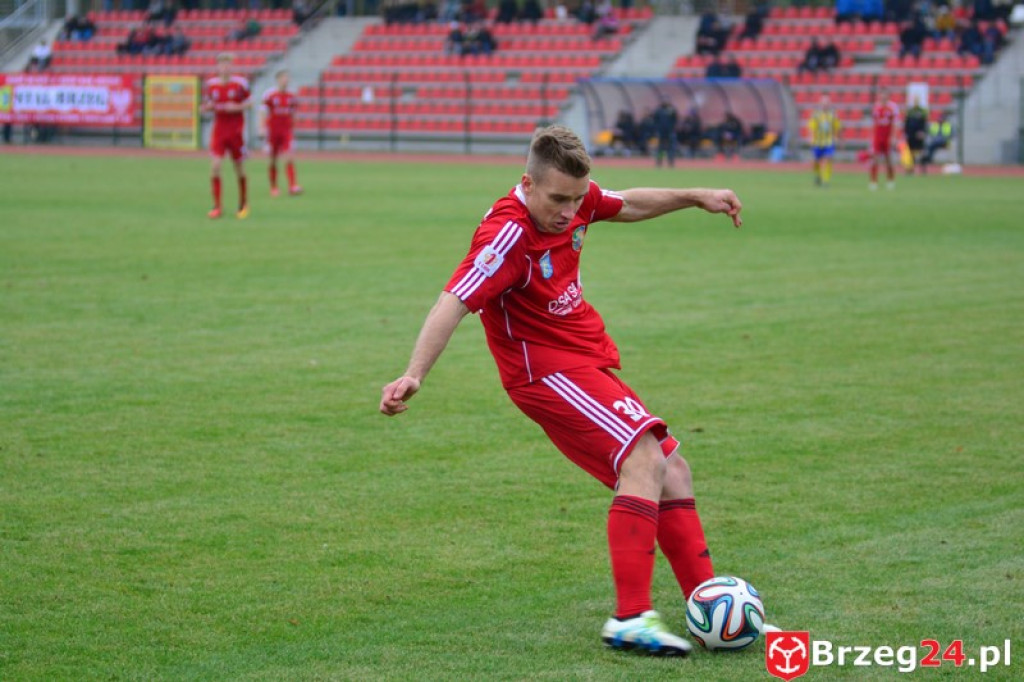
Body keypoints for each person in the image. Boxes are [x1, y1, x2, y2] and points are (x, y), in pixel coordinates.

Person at [380, 125, 745, 655]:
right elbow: (453, 302)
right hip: (544, 372)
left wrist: (695, 197)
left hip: (581, 359)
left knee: (673, 467)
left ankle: (707, 605)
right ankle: (630, 618)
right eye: (557, 199)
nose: (570, 212)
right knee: (643, 456)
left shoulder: (574, 199)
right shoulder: (506, 235)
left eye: (577, 199)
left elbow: (625, 203)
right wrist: (414, 372)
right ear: (526, 183)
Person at [201, 53, 252, 219]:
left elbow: (250, 103)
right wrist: (206, 108)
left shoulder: (240, 84)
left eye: (228, 64)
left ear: (231, 66)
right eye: (222, 65)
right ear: (217, 67)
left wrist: (236, 107)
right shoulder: (211, 85)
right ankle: (217, 206)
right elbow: (208, 103)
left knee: (239, 169)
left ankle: (243, 204)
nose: (225, 68)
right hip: (219, 131)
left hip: (236, 131)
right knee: (215, 167)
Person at [260, 69, 302, 197]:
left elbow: (294, 112)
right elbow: (263, 111)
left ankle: (292, 185)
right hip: (273, 131)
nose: (286, 80)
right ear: (278, 79)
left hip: (286, 131)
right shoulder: (269, 95)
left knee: (289, 157)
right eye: (284, 78)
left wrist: (294, 125)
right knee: (273, 160)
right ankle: (274, 187)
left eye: (287, 78)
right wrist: (262, 128)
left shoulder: (291, 96)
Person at [869, 89, 899, 190]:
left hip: (887, 136)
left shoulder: (893, 107)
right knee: (875, 159)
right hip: (878, 136)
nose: (883, 97)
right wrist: (872, 137)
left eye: (885, 95)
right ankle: (873, 182)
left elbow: (895, 123)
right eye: (882, 95)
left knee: (888, 159)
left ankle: (890, 180)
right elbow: (873, 123)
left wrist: (893, 137)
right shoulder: (876, 107)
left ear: (888, 96)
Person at [808, 95, 841, 187]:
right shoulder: (816, 115)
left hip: (829, 142)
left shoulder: (833, 115)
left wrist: (838, 138)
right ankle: (818, 176)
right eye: (823, 103)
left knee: (827, 160)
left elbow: (837, 127)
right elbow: (812, 127)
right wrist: (811, 138)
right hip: (817, 142)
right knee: (816, 162)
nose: (825, 105)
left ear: (829, 104)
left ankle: (825, 181)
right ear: (820, 104)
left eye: (827, 103)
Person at [902, 97, 928, 174]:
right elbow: (906, 123)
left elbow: (924, 123)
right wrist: (906, 133)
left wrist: (923, 132)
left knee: (921, 151)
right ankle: (911, 168)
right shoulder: (910, 111)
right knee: (911, 152)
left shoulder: (922, 111)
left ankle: (922, 168)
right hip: (911, 135)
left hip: (919, 135)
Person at [651, 99, 678, 168]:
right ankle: (659, 162)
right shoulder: (658, 111)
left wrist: (672, 129)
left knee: (670, 148)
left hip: (670, 132)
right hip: (661, 133)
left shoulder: (672, 110)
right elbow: (655, 121)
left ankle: (670, 161)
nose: (665, 101)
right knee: (660, 148)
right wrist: (657, 130)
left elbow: (675, 120)